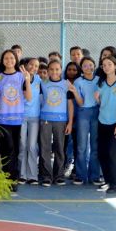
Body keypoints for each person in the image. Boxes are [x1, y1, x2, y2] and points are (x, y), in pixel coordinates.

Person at [0, 50, 32, 186]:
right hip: (2, 119)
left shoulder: (21, 76)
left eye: (11, 58)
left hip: (16, 119)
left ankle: (13, 179)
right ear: (2, 61)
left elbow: (29, 97)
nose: (9, 60)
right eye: (6, 58)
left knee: (14, 149)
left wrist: (27, 80)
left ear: (16, 60)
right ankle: (6, 178)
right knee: (6, 148)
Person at [95, 56, 116, 194]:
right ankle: (108, 180)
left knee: (113, 154)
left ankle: (115, 183)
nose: (106, 67)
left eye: (109, 64)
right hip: (102, 121)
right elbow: (100, 102)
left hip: (115, 123)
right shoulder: (101, 83)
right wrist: (97, 99)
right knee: (102, 153)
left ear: (115, 66)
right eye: (104, 65)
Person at [38, 59, 72, 187]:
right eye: (51, 69)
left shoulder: (66, 84)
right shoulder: (43, 83)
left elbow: (70, 104)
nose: (54, 71)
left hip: (61, 120)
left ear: (61, 70)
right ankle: (46, 176)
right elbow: (39, 101)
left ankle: (59, 176)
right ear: (47, 70)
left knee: (59, 148)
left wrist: (70, 122)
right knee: (45, 148)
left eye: (57, 69)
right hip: (45, 119)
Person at [70, 56, 102, 185]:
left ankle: (94, 176)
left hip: (96, 112)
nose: (88, 67)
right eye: (85, 66)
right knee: (81, 146)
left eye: (90, 65)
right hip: (83, 112)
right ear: (81, 68)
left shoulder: (100, 80)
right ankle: (80, 175)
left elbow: (101, 100)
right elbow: (80, 102)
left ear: (94, 66)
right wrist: (75, 92)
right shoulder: (78, 82)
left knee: (95, 145)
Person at [18, 57, 41, 184]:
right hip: (21, 116)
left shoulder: (39, 79)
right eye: (31, 64)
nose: (34, 67)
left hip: (35, 117)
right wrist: (26, 79)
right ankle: (22, 174)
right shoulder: (20, 78)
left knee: (32, 146)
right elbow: (27, 97)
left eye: (36, 66)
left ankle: (33, 175)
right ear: (26, 65)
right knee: (22, 144)